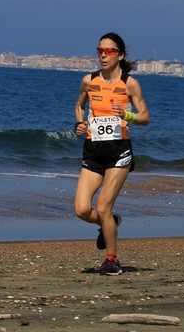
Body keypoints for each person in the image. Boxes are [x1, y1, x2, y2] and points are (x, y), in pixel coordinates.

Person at [73, 32, 150, 275]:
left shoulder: (129, 84)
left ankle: (111, 259)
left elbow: (145, 117)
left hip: (119, 152)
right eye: (100, 51)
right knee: (82, 210)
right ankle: (111, 224)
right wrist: (79, 124)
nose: (104, 56)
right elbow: (79, 106)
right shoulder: (89, 80)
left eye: (109, 51)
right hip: (93, 150)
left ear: (121, 55)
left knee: (103, 206)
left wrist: (126, 115)